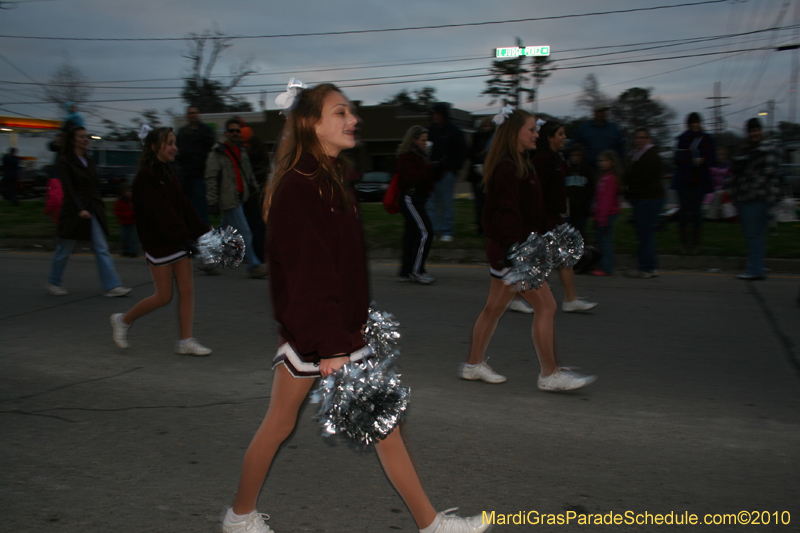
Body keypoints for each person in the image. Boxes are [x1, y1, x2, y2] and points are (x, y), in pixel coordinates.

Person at [221, 82, 488, 533]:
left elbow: (340, 268)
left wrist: (355, 324)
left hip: (336, 332)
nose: (353, 120)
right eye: (340, 112)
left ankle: (430, 524)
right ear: (311, 123)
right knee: (282, 426)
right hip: (321, 337)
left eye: (352, 112)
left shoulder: (329, 178)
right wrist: (331, 347)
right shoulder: (301, 188)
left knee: (357, 428)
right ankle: (240, 515)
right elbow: (310, 277)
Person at [459, 105, 596, 391]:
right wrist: (514, 251)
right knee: (546, 306)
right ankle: (549, 374)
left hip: (512, 248)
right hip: (514, 251)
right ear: (514, 133)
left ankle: (473, 365)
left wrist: (558, 237)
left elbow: (532, 212)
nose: (537, 134)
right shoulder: (508, 168)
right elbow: (505, 212)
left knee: (494, 309)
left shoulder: (521, 163)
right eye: (531, 129)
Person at [110, 127, 211, 356]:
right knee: (163, 296)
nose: (175, 147)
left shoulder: (168, 172)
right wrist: (185, 238)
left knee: (187, 290)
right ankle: (123, 320)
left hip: (176, 241)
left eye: (175, 143)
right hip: (159, 244)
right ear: (154, 147)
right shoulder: (145, 178)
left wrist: (204, 233)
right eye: (170, 143)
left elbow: (183, 207)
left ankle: (186, 340)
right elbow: (161, 214)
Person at [45, 126, 131, 297]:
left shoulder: (89, 160)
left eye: (87, 137)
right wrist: (79, 209)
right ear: (73, 140)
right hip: (73, 211)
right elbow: (69, 189)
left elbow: (93, 186)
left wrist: (97, 204)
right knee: (64, 249)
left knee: (101, 247)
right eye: (81, 137)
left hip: (91, 209)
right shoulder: (65, 160)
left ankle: (112, 286)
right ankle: (54, 282)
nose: (86, 140)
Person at [534, 120, 597, 312]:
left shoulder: (558, 158)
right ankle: (520, 296)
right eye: (560, 134)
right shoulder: (542, 160)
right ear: (549, 137)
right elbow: (537, 191)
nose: (564, 137)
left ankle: (570, 299)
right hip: (544, 216)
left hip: (556, 215)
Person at [205, 118, 267, 279]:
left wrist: (256, 189)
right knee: (246, 232)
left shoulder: (242, 151)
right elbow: (211, 177)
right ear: (226, 133)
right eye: (231, 130)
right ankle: (254, 265)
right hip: (228, 198)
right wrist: (212, 201)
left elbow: (248, 173)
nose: (234, 133)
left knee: (221, 232)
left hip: (240, 196)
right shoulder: (218, 152)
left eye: (237, 130)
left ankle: (205, 260)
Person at [730, 118, 782, 281]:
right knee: (755, 235)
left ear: (761, 131)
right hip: (745, 197)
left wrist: (750, 187)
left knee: (754, 235)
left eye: (757, 130)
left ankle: (755, 269)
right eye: (752, 131)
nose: (755, 134)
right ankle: (757, 264)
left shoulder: (768, 149)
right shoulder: (746, 149)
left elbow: (768, 173)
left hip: (756, 197)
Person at [396, 125, 436, 284]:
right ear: (414, 140)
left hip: (418, 198)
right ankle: (416, 270)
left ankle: (406, 271)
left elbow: (427, 178)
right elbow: (412, 177)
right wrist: (429, 168)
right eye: (423, 140)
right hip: (410, 198)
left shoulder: (422, 156)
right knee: (425, 233)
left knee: (412, 235)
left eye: (427, 140)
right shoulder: (407, 157)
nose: (426, 143)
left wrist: (437, 167)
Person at [623, 127, 664, 278]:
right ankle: (649, 266)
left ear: (648, 139)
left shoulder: (649, 156)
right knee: (646, 234)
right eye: (638, 137)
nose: (640, 140)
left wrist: (629, 190)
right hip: (644, 199)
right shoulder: (639, 155)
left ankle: (646, 267)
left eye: (643, 137)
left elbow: (642, 179)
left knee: (645, 234)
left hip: (648, 200)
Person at [673, 112, 716, 255]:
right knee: (684, 213)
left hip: (699, 181)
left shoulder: (706, 138)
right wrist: (690, 161)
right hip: (684, 180)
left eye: (697, 122)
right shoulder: (683, 138)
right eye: (693, 122)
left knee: (697, 213)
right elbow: (677, 159)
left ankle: (697, 244)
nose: (695, 125)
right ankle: (684, 244)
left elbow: (712, 158)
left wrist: (702, 160)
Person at [427, 102, 466, 242]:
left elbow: (462, 151)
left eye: (437, 114)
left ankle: (447, 231)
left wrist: (453, 167)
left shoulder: (454, 131)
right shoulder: (430, 131)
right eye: (433, 114)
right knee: (431, 204)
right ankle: (432, 231)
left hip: (447, 172)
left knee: (446, 203)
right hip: (431, 172)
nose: (435, 117)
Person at [176, 105, 216, 224]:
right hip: (185, 176)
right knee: (186, 208)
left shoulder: (205, 130)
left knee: (200, 209)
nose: (192, 115)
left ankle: (203, 236)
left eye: (194, 112)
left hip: (199, 175)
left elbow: (212, 149)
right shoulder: (182, 132)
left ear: (198, 114)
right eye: (190, 113)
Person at [591, 151, 622, 276]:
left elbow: (607, 200)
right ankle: (604, 265)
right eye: (601, 161)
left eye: (605, 161)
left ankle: (607, 268)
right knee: (603, 241)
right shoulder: (603, 177)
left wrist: (602, 218)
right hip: (602, 214)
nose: (602, 163)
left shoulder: (610, 179)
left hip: (608, 215)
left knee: (606, 242)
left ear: (612, 163)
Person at [570, 101, 625, 170]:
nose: (604, 113)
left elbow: (621, 148)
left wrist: (621, 165)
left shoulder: (614, 128)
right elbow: (573, 146)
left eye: (605, 111)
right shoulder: (583, 128)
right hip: (589, 169)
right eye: (601, 111)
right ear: (595, 113)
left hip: (610, 170)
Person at [467, 117, 494, 235]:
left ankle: (489, 226)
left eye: (489, 126)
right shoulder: (477, 137)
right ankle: (481, 226)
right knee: (479, 203)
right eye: (485, 126)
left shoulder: (495, 139)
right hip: (477, 174)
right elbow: (472, 153)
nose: (486, 129)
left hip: (490, 173)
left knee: (490, 202)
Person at [564, 144, 595, 240]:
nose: (575, 158)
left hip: (582, 209)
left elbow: (591, 189)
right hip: (569, 209)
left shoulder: (588, 171)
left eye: (578, 155)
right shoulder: (567, 170)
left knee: (580, 233)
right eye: (573, 155)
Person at [114, 184, 138, 258]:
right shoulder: (120, 202)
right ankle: (126, 250)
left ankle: (133, 251)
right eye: (128, 191)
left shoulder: (132, 201)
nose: (129, 193)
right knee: (124, 238)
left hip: (132, 222)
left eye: (130, 192)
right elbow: (116, 211)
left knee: (132, 238)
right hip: (123, 222)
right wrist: (124, 215)